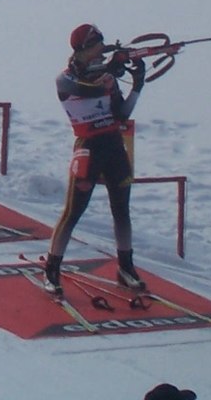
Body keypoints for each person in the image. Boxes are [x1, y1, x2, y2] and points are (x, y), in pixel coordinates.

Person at [42, 22, 148, 299]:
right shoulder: (65, 79)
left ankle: (126, 267)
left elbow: (121, 114)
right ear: (84, 49)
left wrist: (137, 86)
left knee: (121, 210)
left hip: (113, 145)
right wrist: (111, 71)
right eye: (97, 46)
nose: (102, 51)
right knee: (73, 212)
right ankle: (51, 269)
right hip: (88, 148)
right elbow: (88, 90)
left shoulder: (105, 75)